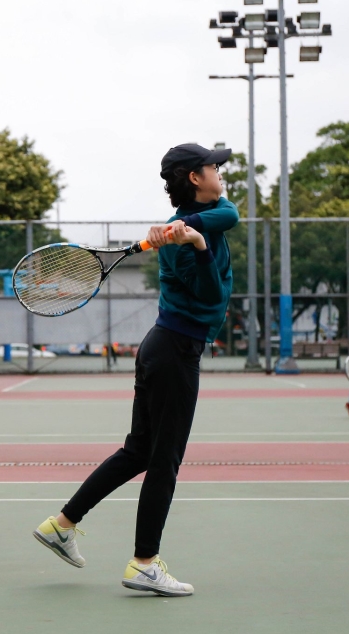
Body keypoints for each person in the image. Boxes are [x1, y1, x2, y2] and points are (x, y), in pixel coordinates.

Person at [33, 143, 238, 597]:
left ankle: (61, 524)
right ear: (195, 178)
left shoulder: (210, 214)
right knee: (163, 459)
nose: (220, 172)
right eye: (213, 167)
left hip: (163, 349)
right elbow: (209, 296)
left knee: (139, 452)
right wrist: (196, 244)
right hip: (173, 352)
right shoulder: (178, 246)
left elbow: (231, 214)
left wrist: (190, 227)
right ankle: (144, 563)